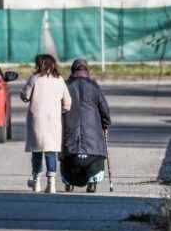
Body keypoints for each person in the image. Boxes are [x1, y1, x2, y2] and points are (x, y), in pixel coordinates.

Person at [21, 54, 71, 193]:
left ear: (39, 65)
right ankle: (51, 184)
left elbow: (25, 95)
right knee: (51, 151)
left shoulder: (35, 78)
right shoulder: (59, 80)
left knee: (37, 151)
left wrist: (24, 96)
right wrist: (62, 110)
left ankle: (36, 182)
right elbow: (68, 102)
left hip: (37, 120)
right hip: (53, 121)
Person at [61, 59, 111, 193]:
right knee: (95, 159)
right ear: (87, 72)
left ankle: (68, 182)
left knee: (66, 159)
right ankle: (93, 181)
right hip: (93, 146)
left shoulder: (65, 86)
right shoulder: (94, 86)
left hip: (70, 144)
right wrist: (105, 123)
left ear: (72, 72)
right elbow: (104, 109)